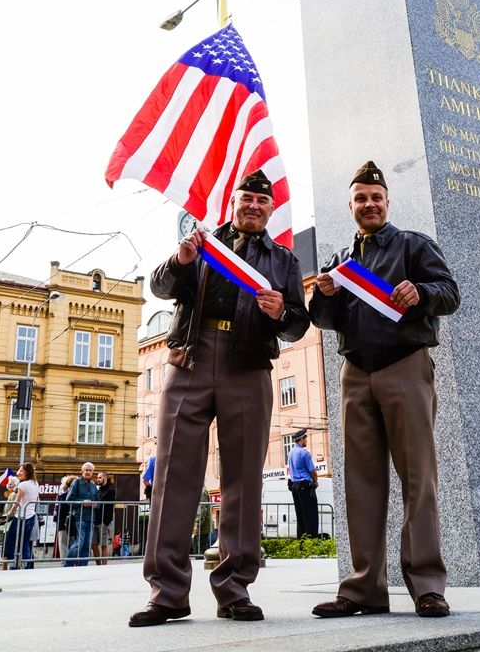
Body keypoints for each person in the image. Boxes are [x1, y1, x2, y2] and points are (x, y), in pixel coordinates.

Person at [129, 169, 308, 627]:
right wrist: (181, 259)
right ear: (233, 202)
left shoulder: (284, 260)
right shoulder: (203, 243)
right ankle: (167, 593)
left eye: (262, 202)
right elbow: (160, 287)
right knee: (173, 474)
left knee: (243, 479)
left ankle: (234, 590)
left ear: (271, 210)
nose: (254, 206)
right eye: (246, 198)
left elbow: (298, 324)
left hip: (248, 362)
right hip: (191, 356)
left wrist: (281, 312)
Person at [309, 160, 460, 620]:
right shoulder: (340, 261)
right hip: (355, 373)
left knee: (418, 478)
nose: (369, 204)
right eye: (361, 198)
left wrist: (422, 293)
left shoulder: (414, 245)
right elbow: (323, 319)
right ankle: (363, 590)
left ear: (387, 203)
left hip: (404, 366)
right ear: (351, 207)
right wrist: (325, 295)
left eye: (376, 197)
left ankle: (427, 586)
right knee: (360, 483)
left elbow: (450, 292)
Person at [64, 462, 100, 566]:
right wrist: (82, 502)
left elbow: (99, 502)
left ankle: (83, 566)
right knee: (79, 542)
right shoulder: (76, 482)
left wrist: (96, 504)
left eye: (90, 470)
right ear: (82, 471)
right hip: (79, 517)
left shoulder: (93, 485)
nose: (88, 472)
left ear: (93, 472)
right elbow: (69, 499)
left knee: (87, 544)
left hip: (91, 518)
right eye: (86, 470)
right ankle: (68, 565)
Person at [7, 462, 40, 568]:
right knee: (25, 542)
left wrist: (9, 513)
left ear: (27, 472)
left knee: (10, 540)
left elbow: (17, 502)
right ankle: (27, 565)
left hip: (20, 516)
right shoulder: (35, 483)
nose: (18, 473)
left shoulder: (23, 485)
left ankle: (14, 563)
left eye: (21, 471)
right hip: (31, 516)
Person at [287, 429, 319, 539]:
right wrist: (315, 482)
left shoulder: (290, 453)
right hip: (305, 487)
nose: (306, 441)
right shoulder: (304, 453)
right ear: (301, 439)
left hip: (295, 486)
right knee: (311, 516)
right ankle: (311, 542)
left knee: (300, 516)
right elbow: (313, 472)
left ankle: (301, 542)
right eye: (306, 438)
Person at [92, 471, 115, 564]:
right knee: (94, 544)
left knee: (104, 544)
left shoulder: (110, 490)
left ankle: (104, 566)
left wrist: (107, 522)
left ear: (105, 478)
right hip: (95, 520)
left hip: (104, 521)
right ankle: (98, 565)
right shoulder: (98, 490)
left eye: (100, 477)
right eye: (97, 477)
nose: (98, 479)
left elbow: (110, 508)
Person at [54, 474, 77, 560]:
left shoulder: (62, 495)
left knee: (65, 544)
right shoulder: (64, 496)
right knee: (66, 544)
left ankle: (67, 563)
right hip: (65, 522)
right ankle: (67, 563)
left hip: (65, 522)